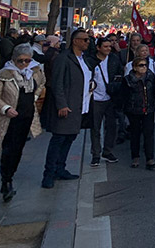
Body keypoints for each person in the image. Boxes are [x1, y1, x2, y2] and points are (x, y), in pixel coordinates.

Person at [0, 45, 46, 202]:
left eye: (28, 60)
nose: (25, 64)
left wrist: (34, 98)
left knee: (18, 149)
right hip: (8, 120)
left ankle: (10, 175)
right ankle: (6, 180)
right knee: (8, 150)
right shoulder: (3, 74)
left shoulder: (34, 71)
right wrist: (6, 108)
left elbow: (41, 84)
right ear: (14, 59)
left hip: (26, 117)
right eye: (21, 61)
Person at [41, 28, 93, 189]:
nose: (88, 42)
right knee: (58, 140)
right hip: (67, 106)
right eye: (85, 39)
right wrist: (61, 104)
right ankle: (48, 174)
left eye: (88, 39)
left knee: (69, 138)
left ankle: (60, 168)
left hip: (80, 105)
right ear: (75, 41)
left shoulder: (83, 59)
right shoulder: (63, 58)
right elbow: (57, 83)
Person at [85, 37, 123, 167]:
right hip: (95, 98)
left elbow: (120, 74)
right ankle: (96, 154)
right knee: (95, 127)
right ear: (98, 47)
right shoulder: (90, 60)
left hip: (110, 98)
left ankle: (108, 151)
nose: (108, 49)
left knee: (112, 126)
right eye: (105, 46)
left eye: (109, 46)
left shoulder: (113, 59)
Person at [121, 57, 155, 170]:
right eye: (141, 65)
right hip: (134, 110)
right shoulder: (128, 80)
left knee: (149, 134)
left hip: (149, 109)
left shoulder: (150, 77)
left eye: (145, 65)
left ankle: (150, 158)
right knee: (135, 134)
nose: (144, 67)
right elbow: (123, 95)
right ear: (134, 67)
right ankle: (135, 157)